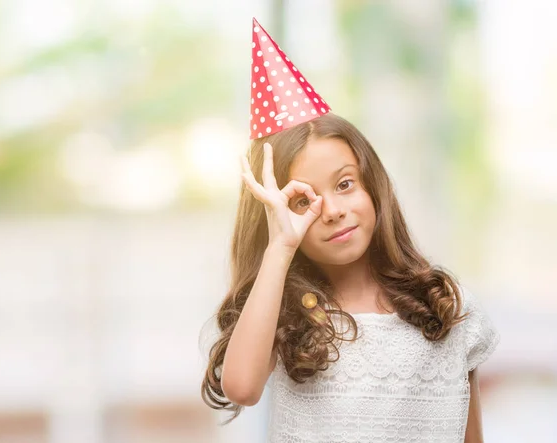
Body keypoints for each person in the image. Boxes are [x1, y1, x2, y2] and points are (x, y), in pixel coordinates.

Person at [201, 18, 500, 443]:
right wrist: (280, 245)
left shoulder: (441, 302)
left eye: (345, 184)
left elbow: (468, 432)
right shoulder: (284, 315)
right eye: (302, 201)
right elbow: (242, 387)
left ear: (372, 185)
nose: (333, 211)